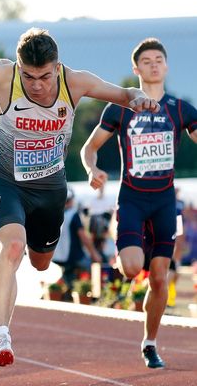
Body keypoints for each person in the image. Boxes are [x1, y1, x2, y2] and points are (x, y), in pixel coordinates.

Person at [0, 27, 159, 367]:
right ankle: (0, 336)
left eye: (44, 77)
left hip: (50, 191)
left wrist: (139, 98)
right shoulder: (4, 75)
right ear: (19, 68)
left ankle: (25, 279)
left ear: (57, 67)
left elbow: (123, 93)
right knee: (12, 247)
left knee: (39, 262)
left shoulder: (74, 82)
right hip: (5, 182)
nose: (37, 85)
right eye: (29, 76)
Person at [81, 38, 197, 368]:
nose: (154, 64)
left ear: (167, 65)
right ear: (136, 69)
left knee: (160, 277)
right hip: (131, 199)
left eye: (159, 59)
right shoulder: (120, 106)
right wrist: (92, 168)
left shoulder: (179, 108)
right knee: (132, 268)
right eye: (146, 61)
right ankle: (129, 253)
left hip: (165, 203)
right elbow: (88, 148)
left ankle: (149, 343)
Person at [52, 188, 102, 301]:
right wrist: (94, 253)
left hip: (56, 256)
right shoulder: (73, 215)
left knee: (63, 283)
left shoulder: (54, 213)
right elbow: (83, 236)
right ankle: (93, 296)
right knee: (91, 268)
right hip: (72, 255)